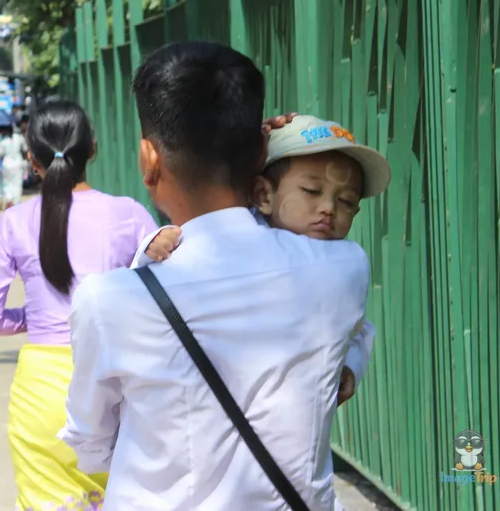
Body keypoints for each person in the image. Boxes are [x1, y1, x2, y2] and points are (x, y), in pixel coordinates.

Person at [58, 41, 371, 510]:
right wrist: (270, 155)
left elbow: (91, 445)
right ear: (260, 149)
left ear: (149, 159)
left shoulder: (110, 300)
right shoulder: (344, 268)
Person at [0, 100, 158, 511]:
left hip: (41, 392)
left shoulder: (15, 221)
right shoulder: (128, 214)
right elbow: (166, 294)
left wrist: (34, 316)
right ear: (92, 148)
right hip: (116, 382)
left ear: (30, 159)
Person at [137, 113, 391, 407]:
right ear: (262, 194)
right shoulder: (235, 236)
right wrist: (152, 246)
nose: (328, 208)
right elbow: (159, 287)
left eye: (346, 201)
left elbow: (358, 327)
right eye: (311, 191)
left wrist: (351, 365)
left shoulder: (343, 265)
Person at [0, 125, 26, 209]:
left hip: (6, 163)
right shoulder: (19, 138)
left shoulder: (3, 141)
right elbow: (24, 149)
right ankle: (16, 201)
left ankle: (9, 199)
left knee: (7, 183)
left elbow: (0, 154)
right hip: (18, 162)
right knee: (17, 183)